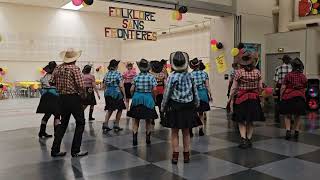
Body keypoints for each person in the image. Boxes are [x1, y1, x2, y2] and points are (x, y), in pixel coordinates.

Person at [161, 51, 200, 164]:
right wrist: (197, 103)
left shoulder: (172, 77)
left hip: (175, 107)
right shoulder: (190, 75)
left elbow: (167, 94)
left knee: (174, 132)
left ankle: (175, 156)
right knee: (186, 131)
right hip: (188, 106)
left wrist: (163, 107)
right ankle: (187, 155)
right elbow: (195, 91)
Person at [50, 49, 88, 157]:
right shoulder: (75, 69)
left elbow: (51, 82)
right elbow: (81, 85)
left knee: (63, 124)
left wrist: (61, 86)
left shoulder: (58, 68)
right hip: (73, 98)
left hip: (61, 98)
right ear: (74, 59)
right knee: (80, 122)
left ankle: (55, 150)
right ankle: (75, 150)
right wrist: (84, 95)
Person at [229, 51, 265, 149]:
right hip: (254, 98)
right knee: (250, 120)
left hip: (241, 99)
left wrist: (230, 99)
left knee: (241, 120)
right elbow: (260, 87)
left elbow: (234, 88)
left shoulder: (239, 72)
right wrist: (261, 99)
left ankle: (243, 139)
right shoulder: (257, 72)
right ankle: (249, 139)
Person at [127, 59, 158, 146]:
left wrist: (134, 96)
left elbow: (132, 89)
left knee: (136, 120)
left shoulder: (136, 77)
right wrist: (154, 98)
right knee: (148, 120)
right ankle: (148, 139)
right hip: (148, 98)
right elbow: (155, 90)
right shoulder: (151, 77)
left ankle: (134, 139)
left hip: (137, 98)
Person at [279, 58, 307, 140]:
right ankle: (296, 131)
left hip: (288, 97)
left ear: (292, 66)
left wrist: (281, 96)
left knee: (287, 115)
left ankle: (288, 131)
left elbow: (283, 87)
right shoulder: (303, 76)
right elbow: (305, 87)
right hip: (300, 97)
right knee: (297, 116)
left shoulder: (288, 75)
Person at [36, 61, 60, 138]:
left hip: (45, 97)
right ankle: (57, 133)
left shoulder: (44, 77)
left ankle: (41, 132)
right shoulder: (56, 76)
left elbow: (41, 84)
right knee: (57, 115)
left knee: (47, 115)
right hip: (54, 97)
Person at [189, 58, 212, 137]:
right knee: (201, 113)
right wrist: (210, 94)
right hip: (203, 94)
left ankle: (190, 131)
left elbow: (189, 87)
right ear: (199, 65)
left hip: (193, 96)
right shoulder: (204, 74)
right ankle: (201, 129)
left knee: (192, 113)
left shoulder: (190, 75)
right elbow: (207, 86)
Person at [102, 59, 126, 132]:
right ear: (116, 66)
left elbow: (104, 85)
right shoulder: (117, 74)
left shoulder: (107, 74)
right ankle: (116, 124)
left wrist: (105, 92)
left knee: (110, 109)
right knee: (120, 108)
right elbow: (121, 86)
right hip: (116, 93)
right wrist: (124, 95)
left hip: (108, 93)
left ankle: (105, 124)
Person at [274, 55, 292, 122]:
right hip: (290, 87)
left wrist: (275, 89)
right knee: (290, 102)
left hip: (280, 86)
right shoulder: (292, 68)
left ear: (283, 60)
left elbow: (276, 80)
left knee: (278, 102)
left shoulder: (278, 68)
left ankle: (277, 117)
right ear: (288, 60)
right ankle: (290, 117)